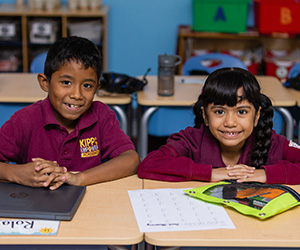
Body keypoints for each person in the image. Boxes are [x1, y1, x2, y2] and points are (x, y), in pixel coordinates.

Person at [0, 36, 139, 190]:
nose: (77, 95)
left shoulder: (101, 115)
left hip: (90, 204)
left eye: (87, 85)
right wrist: (17, 173)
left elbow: (130, 159)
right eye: (66, 83)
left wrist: (78, 178)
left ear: (96, 88)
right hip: (35, 207)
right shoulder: (24, 120)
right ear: (45, 83)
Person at [137, 67, 300, 184]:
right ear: (205, 115)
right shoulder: (191, 140)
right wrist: (211, 174)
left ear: (256, 116)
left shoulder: (272, 142)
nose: (230, 123)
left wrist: (264, 175)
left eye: (242, 112)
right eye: (219, 112)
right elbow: (149, 164)